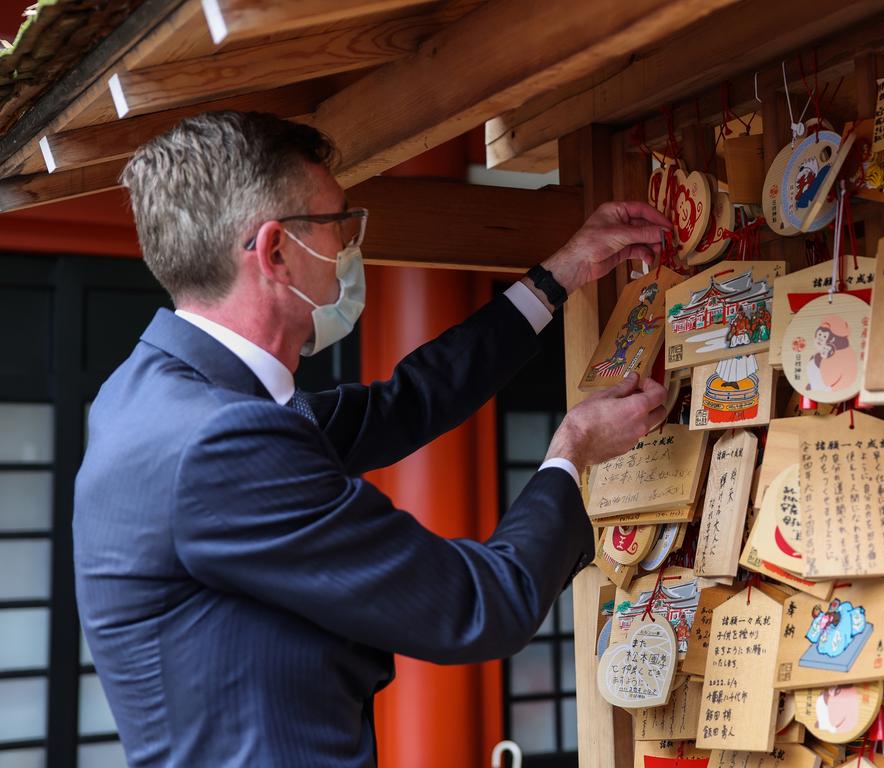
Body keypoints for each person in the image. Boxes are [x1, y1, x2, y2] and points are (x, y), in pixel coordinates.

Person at [72, 111, 671, 767]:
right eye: (338, 223)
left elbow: (404, 405)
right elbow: (483, 605)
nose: (351, 243)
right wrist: (570, 453)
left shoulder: (165, 396)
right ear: (276, 252)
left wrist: (557, 278)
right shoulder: (223, 441)